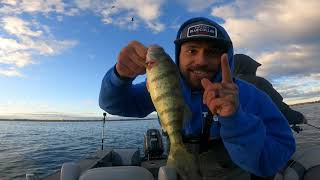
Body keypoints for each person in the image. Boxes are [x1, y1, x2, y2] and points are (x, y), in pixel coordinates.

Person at [99, 17, 295, 179]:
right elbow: (112, 104)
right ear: (179, 56)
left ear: (226, 57)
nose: (200, 60)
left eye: (211, 52)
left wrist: (235, 121)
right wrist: (120, 75)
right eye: (192, 50)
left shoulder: (250, 95)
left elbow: (277, 156)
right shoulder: (162, 86)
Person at [233, 54, 306, 126]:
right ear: (249, 67)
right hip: (264, 134)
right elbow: (279, 109)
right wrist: (300, 118)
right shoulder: (258, 82)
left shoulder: (229, 86)